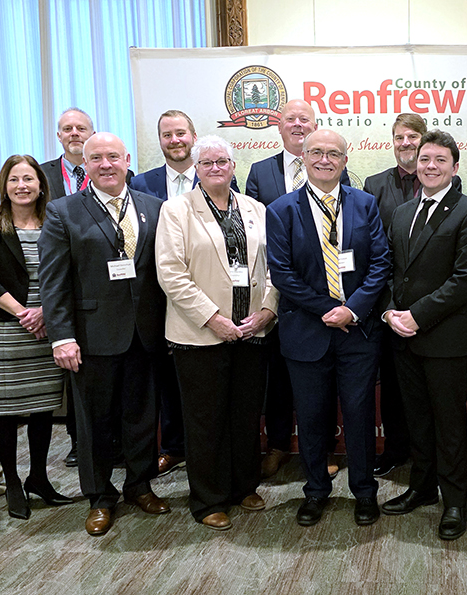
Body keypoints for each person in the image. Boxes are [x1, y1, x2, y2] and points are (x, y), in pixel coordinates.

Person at [39, 132, 170, 536]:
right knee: (95, 422)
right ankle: (99, 496)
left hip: (145, 334)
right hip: (91, 337)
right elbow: (53, 282)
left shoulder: (154, 207)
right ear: (86, 163)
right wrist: (62, 337)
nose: (106, 164)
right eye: (96, 158)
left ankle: (139, 485)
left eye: (113, 156)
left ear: (127, 159)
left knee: (142, 416)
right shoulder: (63, 211)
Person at [266, 129, 391, 527]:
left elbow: (380, 263)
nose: (324, 159)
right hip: (306, 331)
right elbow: (282, 274)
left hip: (358, 333)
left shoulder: (365, 203)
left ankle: (364, 491)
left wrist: (352, 310)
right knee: (312, 417)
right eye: (316, 152)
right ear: (303, 158)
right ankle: (316, 490)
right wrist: (329, 309)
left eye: (333, 153)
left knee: (359, 415)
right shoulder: (281, 210)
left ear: (344, 161)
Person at [156, 135, 278, 530]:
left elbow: (274, 267)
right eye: (206, 162)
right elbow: (171, 274)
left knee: (245, 415)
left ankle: (244, 486)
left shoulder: (256, 208)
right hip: (200, 335)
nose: (215, 168)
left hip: (251, 332)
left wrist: (267, 311)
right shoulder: (176, 210)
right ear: (196, 168)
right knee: (205, 420)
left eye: (222, 161)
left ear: (233, 166)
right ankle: (208, 499)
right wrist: (213, 319)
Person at [381, 130, 467, 541]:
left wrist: (416, 316)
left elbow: (464, 280)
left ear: (455, 167)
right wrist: (391, 311)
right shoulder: (402, 212)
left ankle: (455, 501)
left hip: (444, 338)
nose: (430, 166)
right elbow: (391, 270)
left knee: (449, 423)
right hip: (403, 335)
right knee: (417, 420)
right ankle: (422, 487)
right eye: (425, 158)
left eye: (440, 160)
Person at [245, 99, 349, 478]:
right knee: (278, 378)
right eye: (290, 119)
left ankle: (323, 450)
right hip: (278, 294)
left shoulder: (334, 170)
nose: (297, 124)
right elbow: (255, 229)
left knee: (323, 383)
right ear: (279, 127)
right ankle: (276, 445)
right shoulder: (260, 171)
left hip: (326, 293)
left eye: (305, 119)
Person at [0, 156, 73, 520]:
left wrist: (44, 312)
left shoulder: (55, 222)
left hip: (48, 326)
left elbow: (68, 272)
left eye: (29, 179)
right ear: (4, 185)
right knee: (6, 411)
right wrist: (24, 314)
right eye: (14, 179)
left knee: (44, 408)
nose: (22, 186)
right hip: (5, 330)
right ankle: (13, 483)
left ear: (41, 185)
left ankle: (39, 478)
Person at [132, 109, 201, 477]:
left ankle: (203, 448)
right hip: (156, 295)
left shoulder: (214, 174)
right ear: (159, 140)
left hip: (206, 292)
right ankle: (173, 447)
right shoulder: (142, 183)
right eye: (167, 135)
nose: (175, 140)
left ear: (193, 136)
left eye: (180, 133)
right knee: (166, 376)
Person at [362, 113, 424, 477]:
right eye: (399, 137)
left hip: (429, 302)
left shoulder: (446, 180)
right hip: (386, 300)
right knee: (393, 384)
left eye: (412, 136)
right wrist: (386, 304)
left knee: (426, 384)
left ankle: (426, 452)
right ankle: (395, 448)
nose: (406, 143)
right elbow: (370, 245)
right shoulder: (374, 184)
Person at [40, 107, 95, 468]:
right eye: (68, 128)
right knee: (73, 371)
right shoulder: (41, 174)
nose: (75, 133)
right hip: (61, 281)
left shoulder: (116, 172)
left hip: (101, 283)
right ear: (59, 135)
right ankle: (78, 441)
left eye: (81, 128)